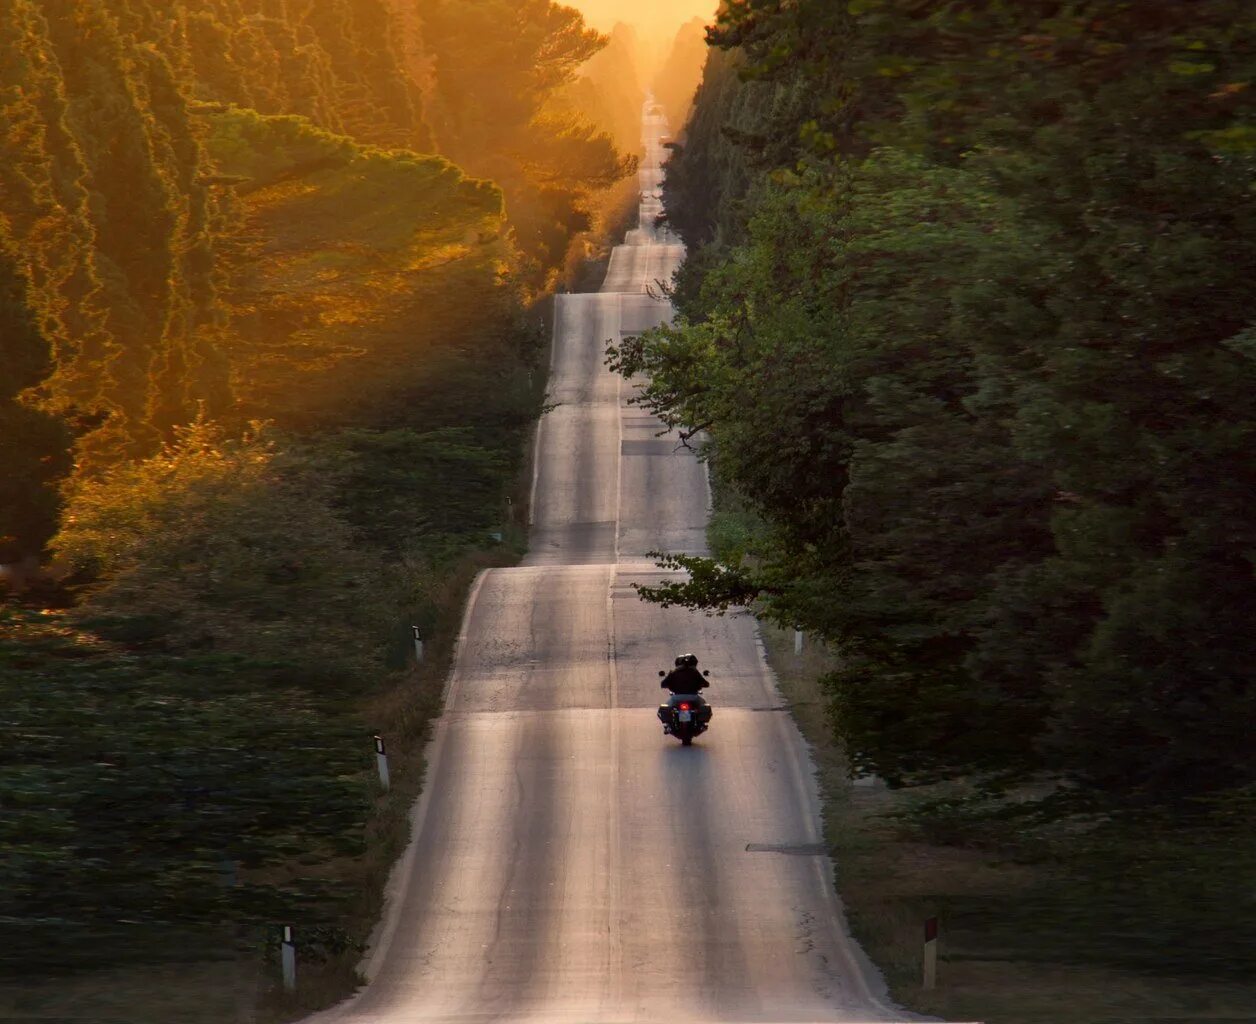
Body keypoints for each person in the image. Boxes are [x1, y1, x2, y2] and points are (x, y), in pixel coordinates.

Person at [657, 653, 709, 734]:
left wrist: (669, 684)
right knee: (703, 706)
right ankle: (701, 725)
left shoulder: (673, 672)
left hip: (676, 697)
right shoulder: (694, 671)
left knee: (667, 707)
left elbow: (663, 684)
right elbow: (706, 683)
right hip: (693, 697)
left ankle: (668, 726)